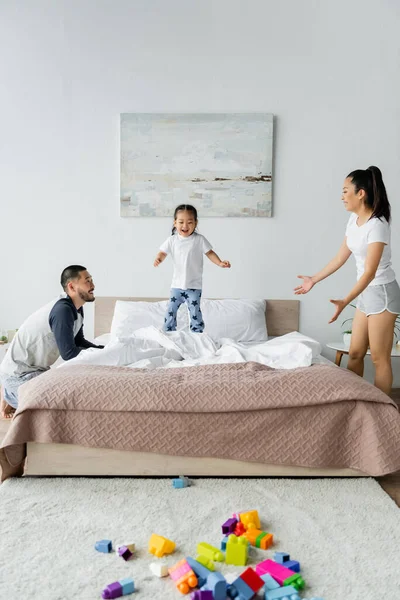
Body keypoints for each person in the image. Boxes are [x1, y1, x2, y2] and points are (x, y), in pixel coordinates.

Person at [295, 166, 400, 395]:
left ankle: (383, 411)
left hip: (381, 292)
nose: (342, 196)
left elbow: (370, 273)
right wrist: (314, 279)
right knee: (354, 353)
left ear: (360, 193)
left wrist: (345, 301)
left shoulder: (377, 225)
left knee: (380, 359)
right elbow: (340, 257)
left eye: (345, 191)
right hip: (366, 292)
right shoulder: (354, 220)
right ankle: (356, 402)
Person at [0, 265, 104, 419]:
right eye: (87, 281)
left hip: (38, 371)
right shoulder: (63, 310)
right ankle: (8, 393)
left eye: (92, 280)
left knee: (71, 389)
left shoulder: (77, 309)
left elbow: (79, 341)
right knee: (58, 403)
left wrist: (103, 350)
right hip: (18, 375)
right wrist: (103, 355)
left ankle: (10, 396)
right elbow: (69, 354)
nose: (93, 285)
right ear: (71, 286)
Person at [154, 204, 231, 333]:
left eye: (190, 222)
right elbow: (162, 252)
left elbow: (210, 253)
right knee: (171, 309)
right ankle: (168, 331)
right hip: (177, 285)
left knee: (195, 311)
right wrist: (159, 259)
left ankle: (197, 333)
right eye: (181, 222)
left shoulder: (199, 240)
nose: (185, 226)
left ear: (195, 223)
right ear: (175, 223)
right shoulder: (172, 240)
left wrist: (219, 262)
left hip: (194, 286)